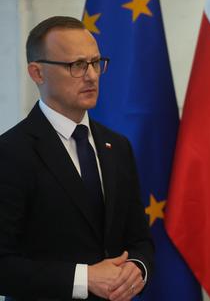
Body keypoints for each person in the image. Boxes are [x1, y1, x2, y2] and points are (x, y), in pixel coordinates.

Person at [0, 16, 154, 301]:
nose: (92, 75)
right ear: (37, 73)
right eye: (77, 65)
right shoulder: (10, 152)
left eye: (96, 62)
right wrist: (85, 278)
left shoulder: (117, 146)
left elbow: (139, 239)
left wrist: (137, 268)